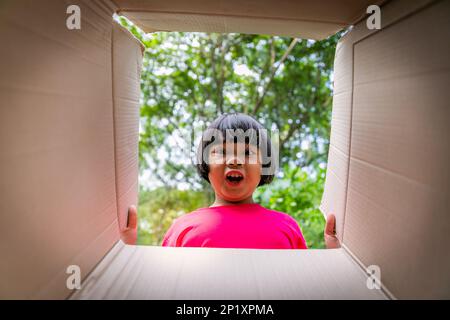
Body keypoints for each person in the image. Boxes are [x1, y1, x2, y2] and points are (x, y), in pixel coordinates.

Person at [120, 113, 340, 249]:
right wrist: (126, 252)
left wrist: (336, 256)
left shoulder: (287, 228)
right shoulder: (183, 228)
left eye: (247, 152)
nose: (234, 160)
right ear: (205, 163)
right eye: (222, 151)